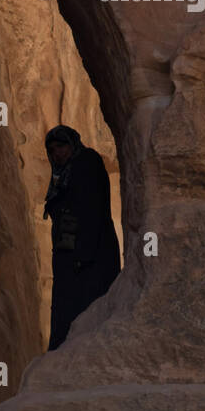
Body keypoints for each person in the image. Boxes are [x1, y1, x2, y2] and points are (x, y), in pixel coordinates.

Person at [43, 125, 120, 350]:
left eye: (61, 146)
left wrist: (82, 256)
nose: (57, 153)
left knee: (84, 315)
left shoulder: (86, 163)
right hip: (74, 260)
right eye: (52, 149)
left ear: (72, 144)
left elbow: (91, 210)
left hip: (90, 259)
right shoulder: (64, 174)